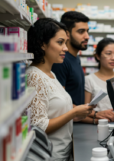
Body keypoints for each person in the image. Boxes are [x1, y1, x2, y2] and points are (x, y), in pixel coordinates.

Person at [26, 18, 95, 160]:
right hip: (50, 156)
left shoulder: (51, 74)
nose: (66, 48)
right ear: (42, 44)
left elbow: (55, 112)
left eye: (65, 42)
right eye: (60, 42)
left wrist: (78, 114)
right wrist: (73, 112)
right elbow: (39, 126)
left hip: (63, 152)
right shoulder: (34, 76)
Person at [51, 11, 112, 123]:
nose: (87, 36)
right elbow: (61, 103)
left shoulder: (76, 58)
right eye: (81, 32)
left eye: (87, 31)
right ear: (67, 34)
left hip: (76, 124)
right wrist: (96, 115)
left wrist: (96, 117)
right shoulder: (61, 61)